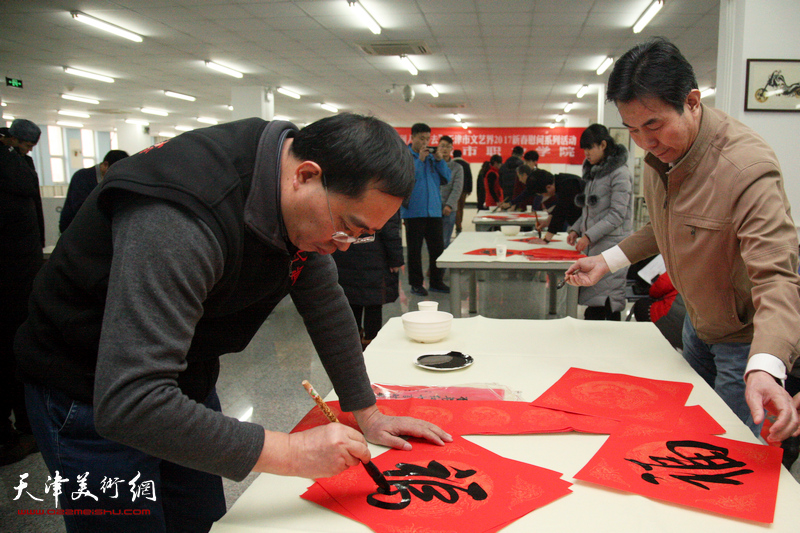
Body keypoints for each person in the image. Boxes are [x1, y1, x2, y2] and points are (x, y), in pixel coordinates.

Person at [14, 113, 452, 532]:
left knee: (200, 518)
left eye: (361, 236)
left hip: (181, 373)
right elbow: (130, 401)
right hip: (86, 386)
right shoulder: (183, 211)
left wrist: (367, 412)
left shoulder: (293, 195)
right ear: (306, 176)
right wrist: (289, 451)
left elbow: (322, 298)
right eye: (347, 228)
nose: (344, 247)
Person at [564, 37, 800, 442]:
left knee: (730, 454)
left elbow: (778, 275)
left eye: (653, 125)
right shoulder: (666, 155)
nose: (645, 142)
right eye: (633, 129)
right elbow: (665, 224)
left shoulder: (745, 168)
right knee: (685, 434)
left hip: (742, 343)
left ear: (692, 101)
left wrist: (766, 365)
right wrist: (607, 261)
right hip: (696, 324)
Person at [0, 119, 43, 466]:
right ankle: (28, 426)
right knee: (16, 355)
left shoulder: (13, 164)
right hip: (20, 280)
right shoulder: (20, 170)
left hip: (13, 281)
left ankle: (16, 432)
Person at [566, 123, 633, 321]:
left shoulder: (620, 173)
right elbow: (590, 211)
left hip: (613, 246)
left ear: (603, 145)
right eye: (584, 149)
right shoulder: (596, 173)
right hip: (597, 246)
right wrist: (576, 230)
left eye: (589, 148)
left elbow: (617, 215)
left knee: (606, 303)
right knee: (595, 302)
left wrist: (588, 235)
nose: (586, 153)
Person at [333, 208, 403, 351]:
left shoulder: (343, 192)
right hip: (375, 257)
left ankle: (353, 345)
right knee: (373, 303)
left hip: (345, 255)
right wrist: (396, 260)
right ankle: (371, 345)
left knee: (352, 301)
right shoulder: (383, 197)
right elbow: (390, 231)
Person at [400, 123, 451, 296]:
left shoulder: (432, 158)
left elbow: (447, 178)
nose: (425, 142)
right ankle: (416, 284)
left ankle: (437, 281)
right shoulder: (405, 156)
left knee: (437, 248)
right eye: (421, 138)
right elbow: (408, 179)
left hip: (434, 211)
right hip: (414, 211)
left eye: (428, 138)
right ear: (412, 137)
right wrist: (420, 161)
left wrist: (439, 160)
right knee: (414, 250)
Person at [60, 149, 130, 233]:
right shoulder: (82, 177)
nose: (118, 175)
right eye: (116, 171)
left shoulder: (113, 180)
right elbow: (81, 208)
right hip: (75, 230)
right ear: (105, 165)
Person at [632, 271, 686, 350]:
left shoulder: (684, 265)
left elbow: (658, 288)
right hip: (698, 329)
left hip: (672, 319)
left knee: (641, 306)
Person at [526, 169, 583, 242]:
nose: (544, 196)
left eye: (543, 194)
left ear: (548, 187)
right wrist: (548, 221)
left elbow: (561, 212)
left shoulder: (569, 185)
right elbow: (559, 206)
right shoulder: (561, 181)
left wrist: (546, 239)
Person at [437, 136, 463, 248]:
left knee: (444, 241)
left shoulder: (457, 167)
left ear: (451, 148)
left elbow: (457, 188)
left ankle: (443, 265)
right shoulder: (432, 165)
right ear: (438, 147)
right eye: (442, 146)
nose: (445, 149)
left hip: (449, 210)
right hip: (433, 209)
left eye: (448, 147)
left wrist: (449, 205)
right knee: (432, 242)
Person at [451, 149, 472, 235]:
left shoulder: (451, 164)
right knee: (461, 207)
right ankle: (459, 225)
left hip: (453, 189)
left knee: (455, 208)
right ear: (461, 155)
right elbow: (469, 177)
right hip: (463, 189)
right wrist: (469, 190)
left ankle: (457, 224)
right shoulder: (466, 164)